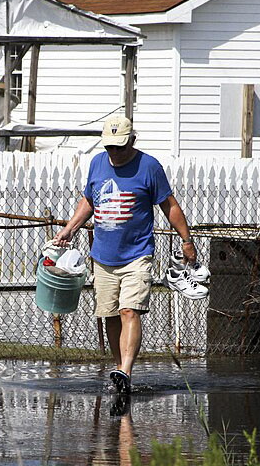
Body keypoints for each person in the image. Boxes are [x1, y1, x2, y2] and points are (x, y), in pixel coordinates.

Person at [53, 115, 197, 395]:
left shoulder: (149, 166)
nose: (114, 152)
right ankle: (121, 373)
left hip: (137, 254)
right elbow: (89, 200)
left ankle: (125, 369)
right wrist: (70, 229)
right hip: (103, 257)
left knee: (129, 310)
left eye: (120, 146)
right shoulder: (96, 163)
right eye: (110, 147)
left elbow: (170, 205)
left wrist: (186, 240)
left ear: (132, 140)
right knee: (110, 315)